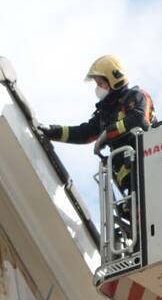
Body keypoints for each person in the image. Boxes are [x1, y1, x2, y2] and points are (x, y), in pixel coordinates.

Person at [39, 55, 154, 195]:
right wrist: (51, 131)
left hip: (148, 167)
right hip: (129, 181)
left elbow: (139, 120)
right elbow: (84, 133)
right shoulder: (105, 113)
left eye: (100, 83)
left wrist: (108, 133)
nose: (98, 88)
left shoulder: (136, 96)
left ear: (114, 80)